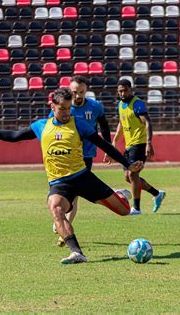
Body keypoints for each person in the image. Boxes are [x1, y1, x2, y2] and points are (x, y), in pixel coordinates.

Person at [0, 88, 143, 264]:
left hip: (83, 177)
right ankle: (77, 253)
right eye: (62, 109)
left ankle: (119, 195)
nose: (66, 113)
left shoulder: (78, 124)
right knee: (55, 208)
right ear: (52, 106)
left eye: (69, 108)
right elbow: (15, 136)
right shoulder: (41, 126)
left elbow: (104, 145)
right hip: (60, 183)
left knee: (124, 211)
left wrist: (127, 163)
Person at [49, 76, 113, 247]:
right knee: (64, 195)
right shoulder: (62, 107)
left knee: (75, 196)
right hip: (64, 159)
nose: (78, 95)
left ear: (86, 91)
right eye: (75, 92)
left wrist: (108, 148)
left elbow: (104, 126)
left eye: (81, 92)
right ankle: (61, 220)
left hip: (85, 157)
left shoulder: (95, 106)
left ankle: (64, 230)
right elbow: (51, 127)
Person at [105, 79, 166, 215]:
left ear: (130, 89)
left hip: (140, 143)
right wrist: (114, 141)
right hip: (129, 145)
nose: (122, 93)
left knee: (133, 174)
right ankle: (157, 194)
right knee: (129, 177)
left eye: (125, 90)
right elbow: (122, 122)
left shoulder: (137, 104)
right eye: (120, 91)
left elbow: (147, 123)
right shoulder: (120, 105)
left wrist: (149, 143)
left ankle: (136, 208)